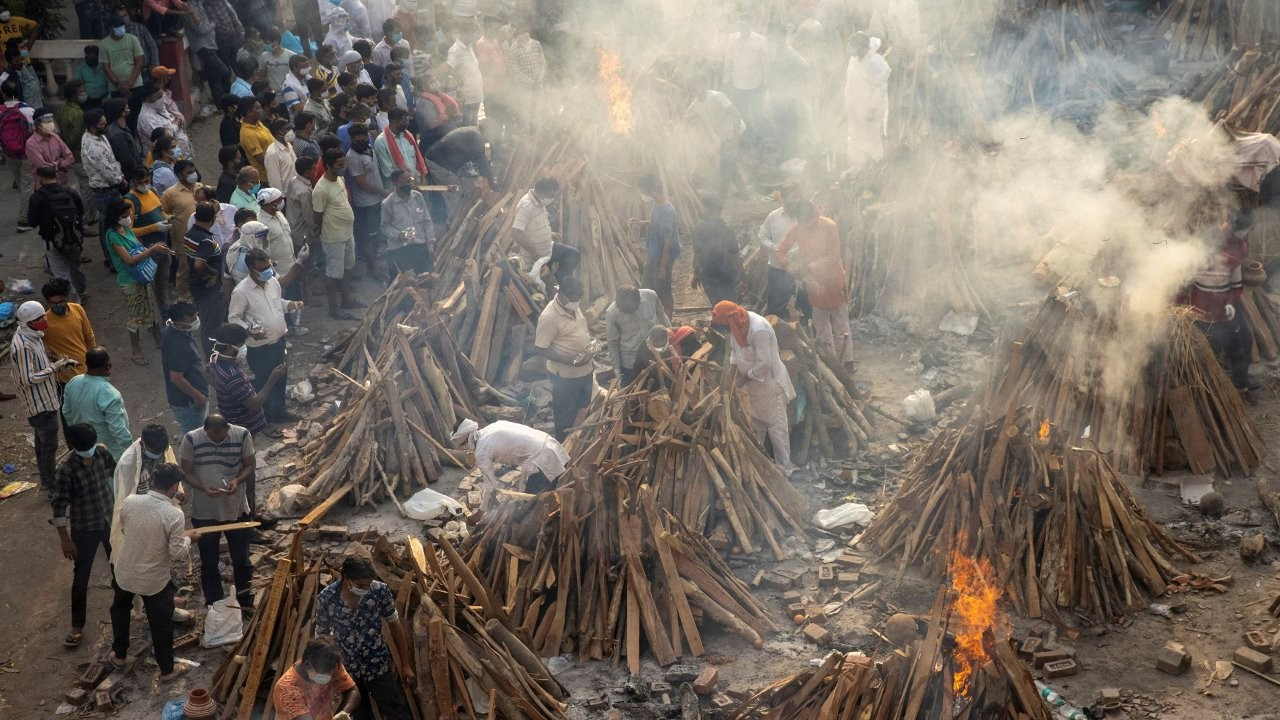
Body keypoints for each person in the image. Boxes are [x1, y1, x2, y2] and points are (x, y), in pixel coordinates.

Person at [110, 463, 198, 683]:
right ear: (173, 486)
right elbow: (177, 554)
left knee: (120, 610)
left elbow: (125, 529)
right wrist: (189, 538)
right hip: (153, 580)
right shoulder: (173, 514)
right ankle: (167, 670)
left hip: (125, 571)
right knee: (160, 624)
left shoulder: (130, 501)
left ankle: (119, 656)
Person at [313, 556, 413, 719]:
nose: (366, 589)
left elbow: (395, 625)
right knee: (359, 714)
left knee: (396, 710)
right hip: (348, 669)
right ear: (346, 578)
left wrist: (405, 664)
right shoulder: (327, 597)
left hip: (378, 665)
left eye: (368, 584)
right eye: (360, 585)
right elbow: (322, 636)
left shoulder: (380, 591)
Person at [1180, 209, 1259, 400]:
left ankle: (1240, 387)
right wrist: (1180, 309)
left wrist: (1231, 303)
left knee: (1240, 347)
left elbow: (1237, 286)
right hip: (1202, 316)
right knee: (1209, 354)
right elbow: (1183, 288)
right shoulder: (1194, 262)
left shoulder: (1231, 262)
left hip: (1225, 314)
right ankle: (1210, 393)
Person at [50, 423, 116, 648]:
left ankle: (126, 607)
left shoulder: (102, 452)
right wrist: (65, 540)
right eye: (84, 448)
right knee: (81, 577)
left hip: (108, 520)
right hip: (84, 528)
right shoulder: (65, 470)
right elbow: (59, 506)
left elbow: (117, 474)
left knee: (119, 566)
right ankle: (77, 625)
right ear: (72, 446)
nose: (89, 451)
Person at [711, 301, 797, 474]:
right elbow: (735, 354)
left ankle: (785, 468)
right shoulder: (736, 324)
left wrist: (741, 381)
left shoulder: (759, 331)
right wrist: (730, 376)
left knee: (776, 429)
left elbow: (764, 364)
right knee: (756, 427)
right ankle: (760, 467)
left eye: (726, 325)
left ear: (731, 318)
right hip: (752, 388)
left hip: (769, 385)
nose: (727, 329)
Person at [179, 413, 255, 607]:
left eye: (221, 436)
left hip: (236, 509)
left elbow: (249, 465)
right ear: (205, 431)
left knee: (242, 559)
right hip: (204, 512)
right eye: (213, 437)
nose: (218, 440)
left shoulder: (242, 435)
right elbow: (186, 472)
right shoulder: (191, 439)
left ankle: (245, 600)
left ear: (227, 429)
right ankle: (214, 603)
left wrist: (237, 480)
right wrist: (203, 488)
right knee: (209, 562)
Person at [228, 247, 307, 423]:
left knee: (281, 377)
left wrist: (290, 305)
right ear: (252, 270)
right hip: (260, 347)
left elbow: (276, 302)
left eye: (269, 267)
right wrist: (249, 330)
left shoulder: (273, 282)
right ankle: (266, 419)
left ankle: (279, 411)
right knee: (264, 381)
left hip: (278, 341)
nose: (268, 271)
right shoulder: (241, 292)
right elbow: (234, 319)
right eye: (263, 269)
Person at [775, 202, 852, 364]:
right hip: (815, 285)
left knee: (841, 327)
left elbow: (834, 256)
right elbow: (780, 250)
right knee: (822, 328)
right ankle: (832, 363)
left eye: (807, 222)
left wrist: (809, 267)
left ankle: (847, 361)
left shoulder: (829, 226)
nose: (804, 226)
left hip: (834, 281)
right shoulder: (798, 228)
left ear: (815, 215)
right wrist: (788, 265)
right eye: (801, 223)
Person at [12, 301, 77, 489]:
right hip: (38, 402)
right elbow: (28, 379)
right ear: (30, 322)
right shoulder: (23, 346)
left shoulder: (33, 336)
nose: (44, 320)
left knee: (42, 442)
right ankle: (50, 482)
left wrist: (59, 363)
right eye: (40, 318)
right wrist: (53, 368)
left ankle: (46, 476)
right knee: (49, 444)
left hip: (45, 397)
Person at [104, 197, 174, 366]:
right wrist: (152, 249)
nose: (129, 217)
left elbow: (137, 246)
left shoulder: (125, 228)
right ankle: (136, 351)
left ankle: (159, 339)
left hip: (143, 276)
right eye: (125, 215)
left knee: (151, 308)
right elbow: (129, 260)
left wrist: (154, 248)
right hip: (130, 281)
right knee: (135, 317)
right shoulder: (113, 235)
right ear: (116, 216)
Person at [533, 276, 594, 441]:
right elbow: (541, 348)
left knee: (583, 410)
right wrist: (571, 360)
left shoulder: (574, 305)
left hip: (585, 371)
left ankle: (579, 445)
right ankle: (563, 450)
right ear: (561, 294)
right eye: (573, 298)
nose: (576, 302)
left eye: (577, 298)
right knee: (565, 417)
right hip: (566, 376)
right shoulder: (549, 317)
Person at [451, 417, 568, 494]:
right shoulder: (493, 426)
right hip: (551, 445)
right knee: (554, 487)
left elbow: (491, 485)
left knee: (531, 504)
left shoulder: (481, 450)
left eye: (463, 444)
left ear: (467, 439)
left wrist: (482, 511)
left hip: (540, 460)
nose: (465, 447)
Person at [109, 423, 177, 553]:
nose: (159, 455)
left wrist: (176, 493)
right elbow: (125, 499)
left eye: (161, 452)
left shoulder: (161, 447)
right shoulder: (128, 464)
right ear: (142, 444)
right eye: (154, 452)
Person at [61, 347, 133, 462]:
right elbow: (118, 430)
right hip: (110, 451)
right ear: (108, 364)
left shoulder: (73, 382)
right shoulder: (110, 394)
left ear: (86, 364)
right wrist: (132, 448)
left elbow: (66, 412)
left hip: (84, 449)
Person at [29, 164, 88, 302]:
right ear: (56, 176)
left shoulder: (37, 197)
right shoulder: (70, 192)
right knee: (76, 267)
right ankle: (82, 292)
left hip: (51, 240)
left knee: (61, 273)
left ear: (40, 178)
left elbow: (32, 221)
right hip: (74, 238)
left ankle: (73, 302)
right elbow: (81, 211)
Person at [209, 323, 281, 436]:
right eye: (241, 345)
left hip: (233, 419)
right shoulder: (232, 376)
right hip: (244, 427)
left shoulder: (215, 359)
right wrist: (273, 377)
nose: (243, 347)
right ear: (229, 347)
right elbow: (254, 404)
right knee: (246, 451)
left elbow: (207, 373)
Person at [314, 147, 360, 319]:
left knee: (348, 267)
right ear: (328, 165)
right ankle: (333, 309)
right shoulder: (321, 189)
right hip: (333, 237)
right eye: (339, 165)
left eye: (343, 163)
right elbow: (317, 216)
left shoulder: (339, 179)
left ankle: (347, 299)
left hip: (348, 233)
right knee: (332, 273)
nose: (343, 167)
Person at [125, 165, 176, 313]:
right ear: (134, 182)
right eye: (141, 182)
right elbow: (129, 231)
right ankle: (157, 313)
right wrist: (155, 227)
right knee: (154, 283)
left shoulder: (152, 192)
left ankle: (164, 307)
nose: (144, 185)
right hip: (148, 249)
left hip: (163, 244)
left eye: (147, 181)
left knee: (164, 279)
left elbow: (160, 213)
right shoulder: (130, 201)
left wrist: (167, 218)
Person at [271, 637, 361, 720]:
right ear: (307, 665)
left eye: (331, 672)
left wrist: (343, 713)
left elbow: (353, 692)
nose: (329, 676)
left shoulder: (330, 664)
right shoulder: (287, 688)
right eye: (325, 672)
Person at [686, 75, 746, 199]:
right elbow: (685, 120)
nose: (695, 90)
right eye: (692, 88)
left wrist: (735, 141)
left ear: (703, 85)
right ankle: (744, 192)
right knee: (730, 165)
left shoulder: (717, 97)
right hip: (725, 137)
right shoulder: (694, 106)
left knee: (725, 167)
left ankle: (720, 200)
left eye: (696, 86)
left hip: (737, 131)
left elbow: (736, 115)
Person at [256, 187, 306, 333]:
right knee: (279, 303)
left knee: (293, 298)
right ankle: (283, 331)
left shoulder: (278, 214)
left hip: (291, 264)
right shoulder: (261, 223)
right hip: (278, 271)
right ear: (271, 203)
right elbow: (263, 251)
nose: (282, 202)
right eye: (279, 200)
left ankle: (294, 327)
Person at [512, 177, 578, 284]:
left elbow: (533, 226)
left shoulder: (539, 201)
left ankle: (560, 282)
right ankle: (554, 286)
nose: (553, 198)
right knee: (541, 282)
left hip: (548, 248)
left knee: (572, 254)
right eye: (551, 195)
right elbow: (516, 232)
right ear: (542, 193)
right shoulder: (526, 206)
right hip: (536, 257)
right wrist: (534, 252)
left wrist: (550, 234)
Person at [844, 32, 891, 177]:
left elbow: (880, 88)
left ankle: (875, 166)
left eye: (854, 47)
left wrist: (872, 109)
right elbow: (849, 83)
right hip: (856, 106)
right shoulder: (853, 60)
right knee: (855, 135)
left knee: (871, 137)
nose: (851, 50)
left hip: (871, 108)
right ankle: (857, 165)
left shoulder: (876, 62)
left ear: (863, 47)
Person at [81, 108, 124, 265]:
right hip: (104, 190)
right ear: (92, 127)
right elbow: (106, 171)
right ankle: (112, 260)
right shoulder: (92, 146)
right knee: (108, 227)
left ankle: (113, 257)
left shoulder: (100, 137)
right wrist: (120, 180)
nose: (105, 126)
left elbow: (112, 161)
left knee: (108, 223)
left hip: (111, 186)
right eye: (101, 124)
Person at [344, 122, 387, 277]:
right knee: (367, 236)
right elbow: (361, 182)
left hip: (377, 200)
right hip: (365, 202)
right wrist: (382, 191)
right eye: (356, 141)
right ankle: (373, 269)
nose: (360, 143)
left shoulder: (369, 149)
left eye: (363, 140)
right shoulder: (352, 156)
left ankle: (373, 266)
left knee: (376, 234)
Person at [605, 286, 669, 386]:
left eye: (633, 309)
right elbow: (613, 344)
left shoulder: (650, 296)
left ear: (639, 301)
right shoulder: (612, 313)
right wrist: (617, 373)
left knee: (660, 388)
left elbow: (663, 317)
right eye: (627, 312)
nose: (631, 313)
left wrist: (670, 338)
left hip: (654, 356)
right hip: (630, 363)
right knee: (631, 396)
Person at [184, 200, 226, 348]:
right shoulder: (206, 240)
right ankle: (212, 361)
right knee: (211, 326)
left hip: (196, 283)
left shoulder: (190, 234)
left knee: (207, 321)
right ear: (213, 219)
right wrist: (214, 273)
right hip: (208, 288)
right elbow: (199, 264)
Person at [161, 302, 209, 433]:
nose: (196, 321)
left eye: (196, 317)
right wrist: (198, 397)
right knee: (194, 435)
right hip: (188, 402)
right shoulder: (179, 346)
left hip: (186, 396)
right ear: (179, 322)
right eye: (192, 320)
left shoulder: (174, 329)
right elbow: (176, 378)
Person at [379, 167, 433, 280]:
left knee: (426, 280)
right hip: (400, 250)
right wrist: (398, 235)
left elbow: (427, 221)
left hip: (420, 246)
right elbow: (384, 227)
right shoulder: (388, 203)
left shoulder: (418, 197)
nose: (409, 184)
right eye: (404, 182)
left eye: (410, 181)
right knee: (406, 286)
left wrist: (430, 244)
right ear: (395, 183)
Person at [637, 174, 679, 317]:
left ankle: (667, 324)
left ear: (654, 191)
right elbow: (656, 223)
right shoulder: (657, 204)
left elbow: (667, 243)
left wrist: (662, 268)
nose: (646, 195)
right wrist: (643, 222)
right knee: (646, 287)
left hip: (663, 257)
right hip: (653, 254)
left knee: (663, 290)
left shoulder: (667, 211)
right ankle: (651, 317)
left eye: (647, 192)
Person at [40, 279, 96, 388]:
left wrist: (94, 361)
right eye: (53, 303)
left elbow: (89, 336)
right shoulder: (44, 321)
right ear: (47, 302)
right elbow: (39, 349)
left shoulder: (78, 309)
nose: (57, 305)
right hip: (65, 379)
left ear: (67, 298)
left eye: (61, 301)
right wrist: (55, 359)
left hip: (86, 369)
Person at [723, 18, 768, 145]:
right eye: (740, 26)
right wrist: (726, 80)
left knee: (757, 113)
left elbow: (765, 63)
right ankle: (745, 139)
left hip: (755, 84)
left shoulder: (760, 40)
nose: (742, 29)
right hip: (737, 84)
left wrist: (765, 83)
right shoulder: (732, 39)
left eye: (744, 25)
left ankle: (759, 139)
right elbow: (728, 60)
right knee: (741, 113)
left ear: (750, 25)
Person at [757, 198, 805, 317]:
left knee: (801, 303)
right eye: (791, 202)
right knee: (776, 303)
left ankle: (799, 329)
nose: (794, 207)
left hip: (798, 269)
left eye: (796, 203)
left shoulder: (802, 217)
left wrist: (796, 251)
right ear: (784, 200)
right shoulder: (773, 216)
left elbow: (809, 239)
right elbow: (762, 236)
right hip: (776, 267)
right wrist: (774, 247)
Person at [691, 194, 742, 305]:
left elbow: (697, 254)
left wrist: (696, 274)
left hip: (709, 275)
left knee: (717, 307)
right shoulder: (727, 229)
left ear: (709, 209)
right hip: (728, 275)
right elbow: (735, 255)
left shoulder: (698, 230)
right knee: (732, 308)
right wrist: (743, 276)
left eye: (704, 207)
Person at [1, 80, 34, 232]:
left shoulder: (0, 111)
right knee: (28, 185)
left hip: (9, 153)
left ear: (3, 93)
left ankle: (27, 210)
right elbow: (34, 130)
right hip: (26, 152)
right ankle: (24, 220)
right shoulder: (27, 109)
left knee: (22, 184)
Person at [373, 106, 425, 186]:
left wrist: (422, 178)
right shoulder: (381, 142)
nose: (407, 124)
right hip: (399, 187)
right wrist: (407, 181)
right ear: (394, 122)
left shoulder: (408, 135)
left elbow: (417, 159)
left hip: (416, 183)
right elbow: (388, 172)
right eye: (404, 121)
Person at [447, 22, 483, 125]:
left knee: (474, 124)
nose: (474, 37)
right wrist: (459, 85)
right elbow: (449, 70)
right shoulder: (455, 50)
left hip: (476, 94)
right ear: (464, 33)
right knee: (466, 126)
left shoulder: (469, 47)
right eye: (473, 34)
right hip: (466, 97)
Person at [101, 14, 145, 94]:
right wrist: (118, 84)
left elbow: (140, 62)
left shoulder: (132, 39)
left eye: (121, 25)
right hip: (116, 87)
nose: (120, 28)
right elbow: (106, 68)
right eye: (117, 26)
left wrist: (130, 83)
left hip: (136, 84)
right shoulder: (104, 44)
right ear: (110, 28)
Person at [103, 97, 141, 180]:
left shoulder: (122, 128)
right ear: (122, 112)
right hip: (131, 175)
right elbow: (126, 158)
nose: (129, 109)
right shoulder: (117, 134)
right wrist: (138, 170)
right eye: (127, 108)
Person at [286, 155, 318, 250]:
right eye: (314, 170)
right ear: (308, 172)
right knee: (307, 261)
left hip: (293, 227)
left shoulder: (293, 181)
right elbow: (309, 217)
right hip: (303, 233)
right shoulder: (304, 192)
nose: (316, 172)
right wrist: (316, 231)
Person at [239, 97, 274, 179]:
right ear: (249, 113)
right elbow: (262, 159)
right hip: (267, 177)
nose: (261, 110)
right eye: (258, 108)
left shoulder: (256, 122)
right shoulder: (248, 135)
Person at [264, 117, 298, 191]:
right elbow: (274, 181)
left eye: (290, 128)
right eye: (287, 129)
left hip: (296, 191)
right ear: (278, 133)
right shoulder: (272, 153)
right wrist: (281, 199)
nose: (290, 131)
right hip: (286, 195)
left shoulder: (289, 145)